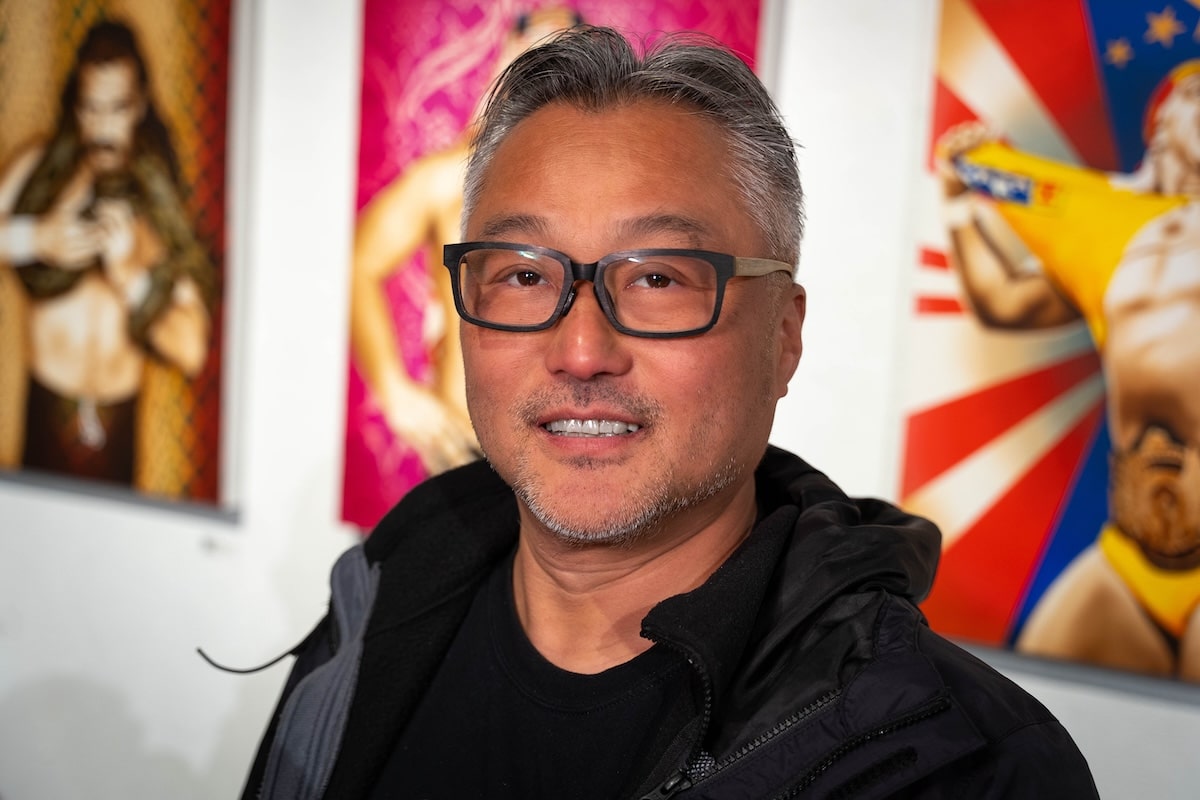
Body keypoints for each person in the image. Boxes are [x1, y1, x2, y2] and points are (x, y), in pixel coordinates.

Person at [242, 26, 1098, 799]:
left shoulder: (951, 766)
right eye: (525, 275)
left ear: (784, 336)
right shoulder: (380, 605)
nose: (581, 350)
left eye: (658, 279)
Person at [936, 59, 1200, 681]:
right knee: (1018, 704)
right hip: (1130, 558)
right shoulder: (1111, 235)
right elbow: (1004, 301)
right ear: (1162, 122)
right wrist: (959, 205)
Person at [349, 7, 581, 477]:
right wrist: (394, 389)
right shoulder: (449, 180)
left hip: (562, 452)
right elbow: (358, 266)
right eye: (531, 53)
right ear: (505, 63)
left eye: (559, 57)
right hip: (461, 450)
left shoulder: (599, 192)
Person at [0, 19, 213, 488]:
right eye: (91, 109)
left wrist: (131, 278)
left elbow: (192, 351)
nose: (102, 128)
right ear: (75, 106)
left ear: (140, 105)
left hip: (120, 436)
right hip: (42, 422)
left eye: (117, 109)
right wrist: (36, 239)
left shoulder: (160, 208)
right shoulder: (39, 171)